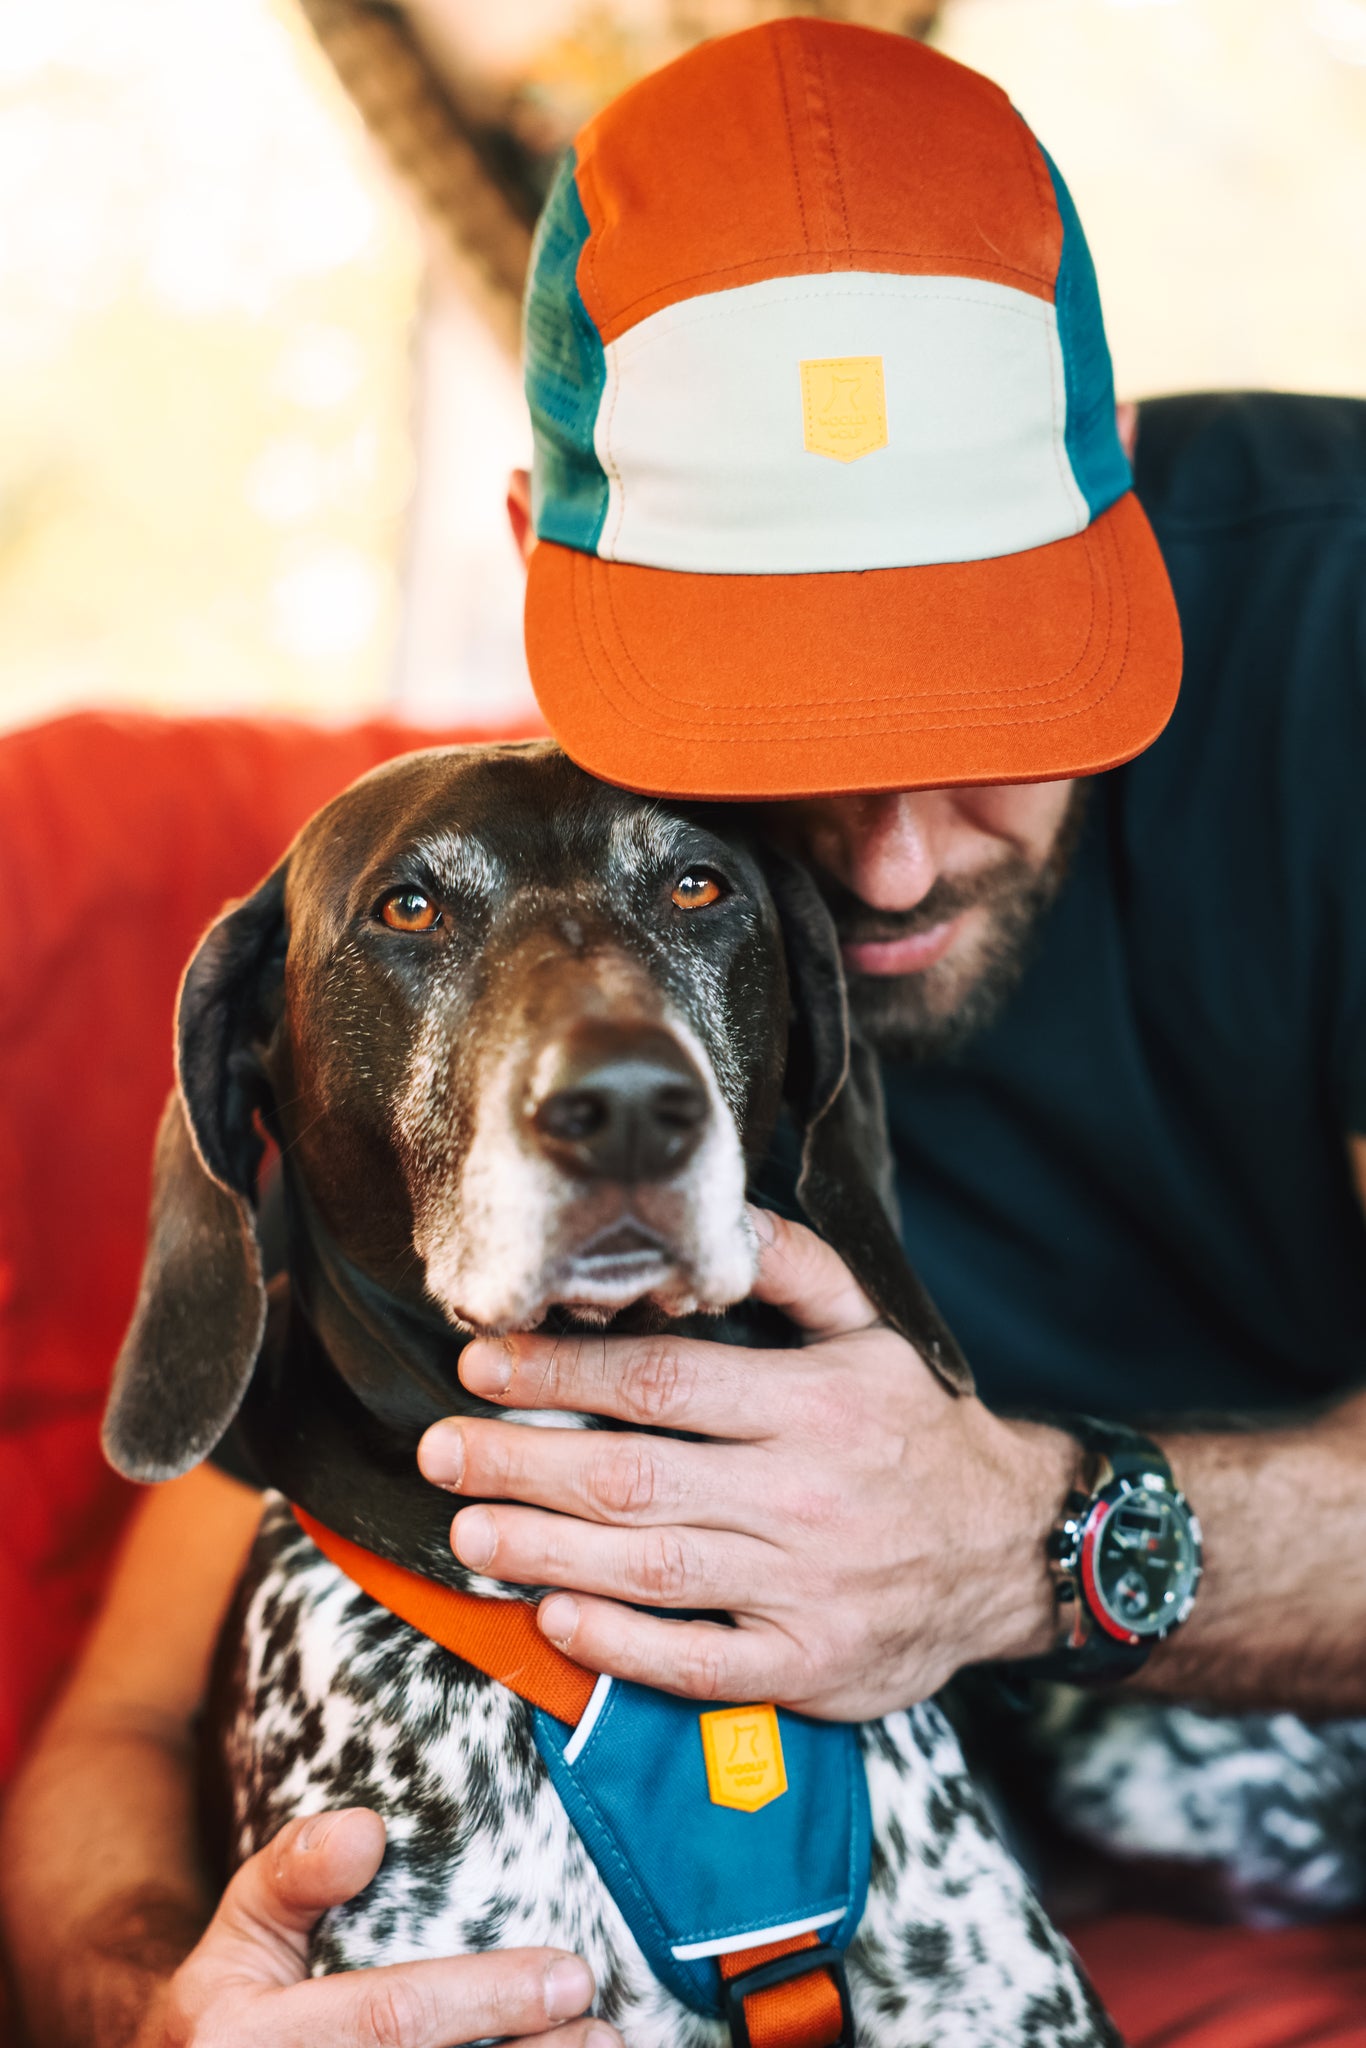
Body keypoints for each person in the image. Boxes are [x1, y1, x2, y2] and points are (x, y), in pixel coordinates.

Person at [5, 20, 1366, 2048]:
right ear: (548, 563)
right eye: (791, 728)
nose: (893, 869)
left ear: (1124, 541)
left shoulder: (1331, 642)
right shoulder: (515, 1014)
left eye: (992, 702)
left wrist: (1030, 1541)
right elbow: (126, 1706)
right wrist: (144, 2006)